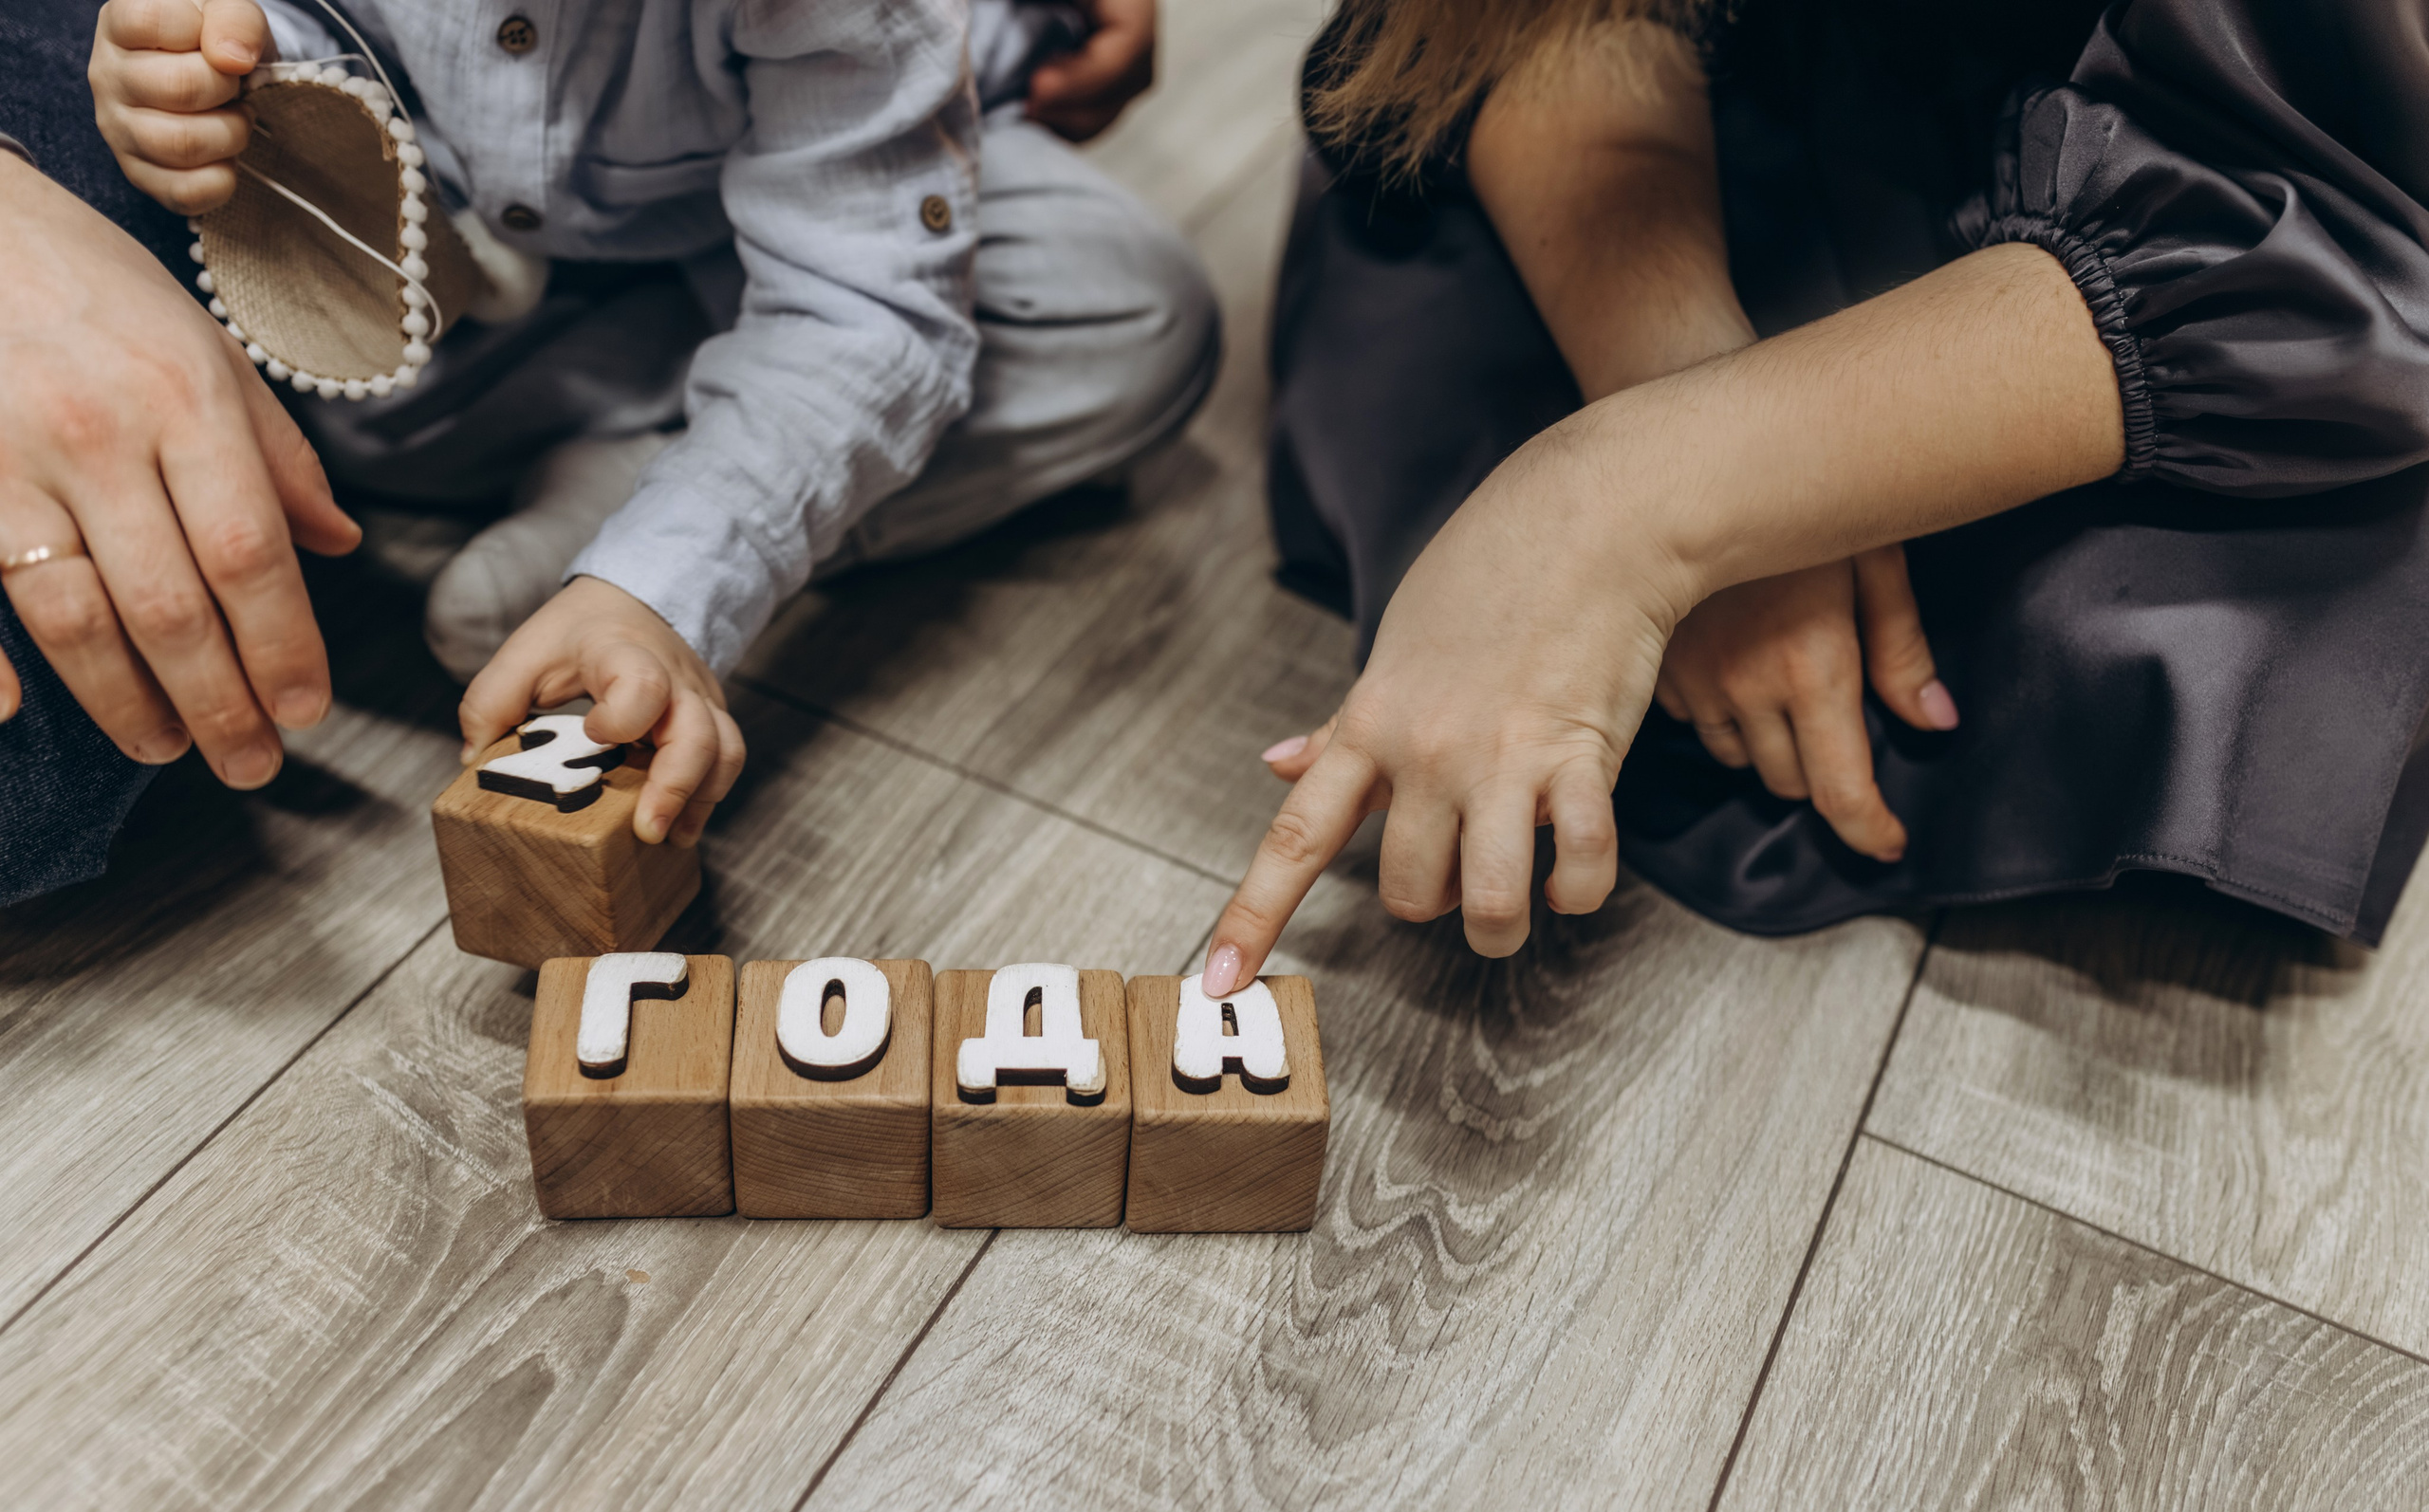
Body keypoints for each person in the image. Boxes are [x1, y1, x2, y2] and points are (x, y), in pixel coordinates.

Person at [1197, 0, 2429, 1001]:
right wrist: (1680, 384)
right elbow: (1517, 29)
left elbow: (2341, 218)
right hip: (1731, 115)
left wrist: (1625, 502)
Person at [0, 0, 1206, 903]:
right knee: (332, 382)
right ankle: (654, 472)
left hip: (820, 209)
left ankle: (645, 523)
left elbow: (872, 311)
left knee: (1131, 309)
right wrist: (188, 74)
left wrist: (667, 593)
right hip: (464, 300)